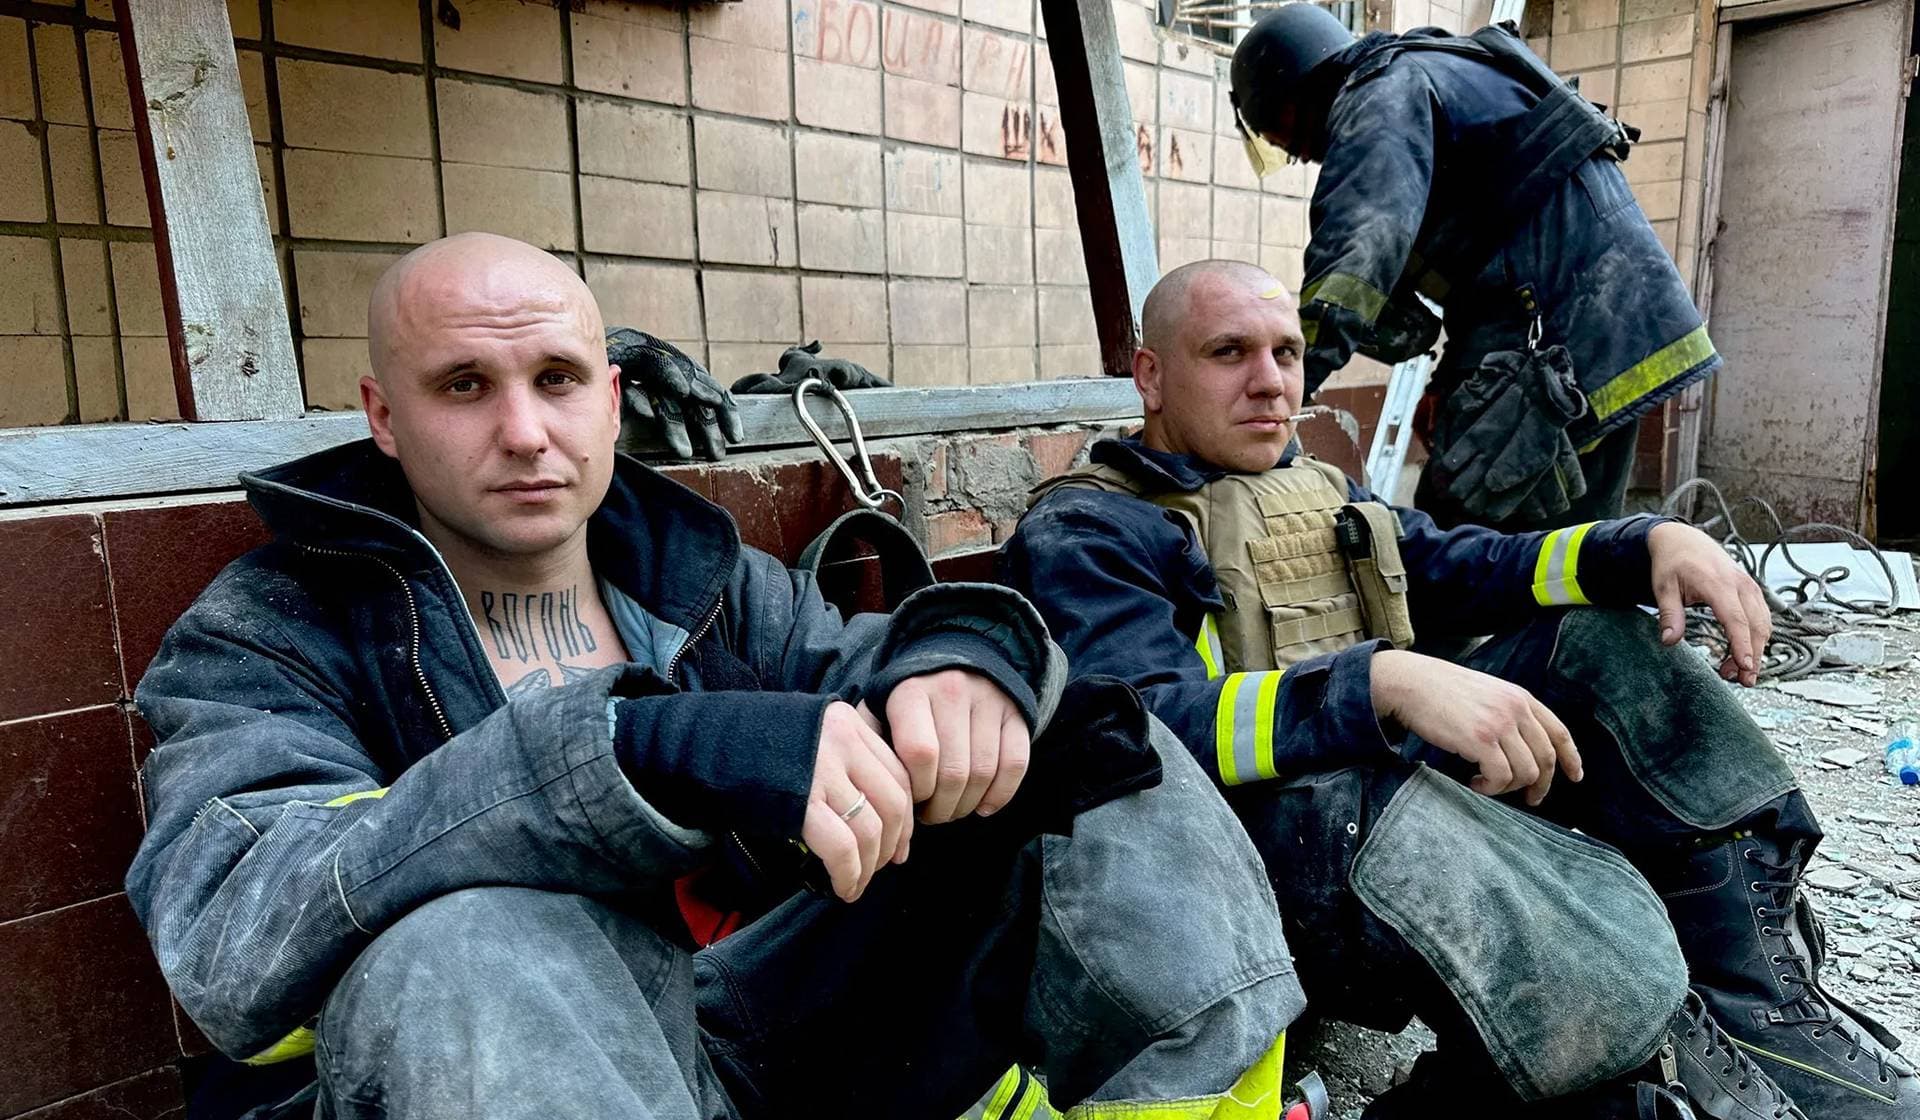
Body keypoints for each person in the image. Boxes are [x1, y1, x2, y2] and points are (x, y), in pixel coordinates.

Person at [124, 235, 1308, 1120]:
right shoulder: (271, 630)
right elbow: (238, 923)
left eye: (558, 378)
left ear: (611, 399)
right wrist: (633, 751)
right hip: (504, 1067)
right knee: (469, 943)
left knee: (1095, 744)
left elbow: (881, 659)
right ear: (385, 416)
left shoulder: (698, 576)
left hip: (761, 1033)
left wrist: (968, 656)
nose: (527, 431)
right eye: (466, 386)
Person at [1000, 261, 1917, 1120]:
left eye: (1286, 352)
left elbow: (1469, 565)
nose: (1271, 382)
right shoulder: (1093, 528)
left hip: (1361, 813)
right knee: (1409, 817)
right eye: (1229, 353)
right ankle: (1619, 1062)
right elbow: (1138, 729)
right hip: (1238, 873)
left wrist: (1640, 546)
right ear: (1152, 377)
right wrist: (1379, 682)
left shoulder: (1312, 489)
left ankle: (1758, 1009)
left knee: (1596, 644)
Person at [1227, 5, 1716, 531]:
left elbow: (1357, 254)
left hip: (1562, 343)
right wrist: (1447, 380)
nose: (1297, 155)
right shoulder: (1433, 69)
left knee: (1461, 539)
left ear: (1297, 92)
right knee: (1568, 544)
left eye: (1279, 134)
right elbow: (1497, 257)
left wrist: (1289, 374)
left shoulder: (1381, 93)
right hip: (1611, 332)